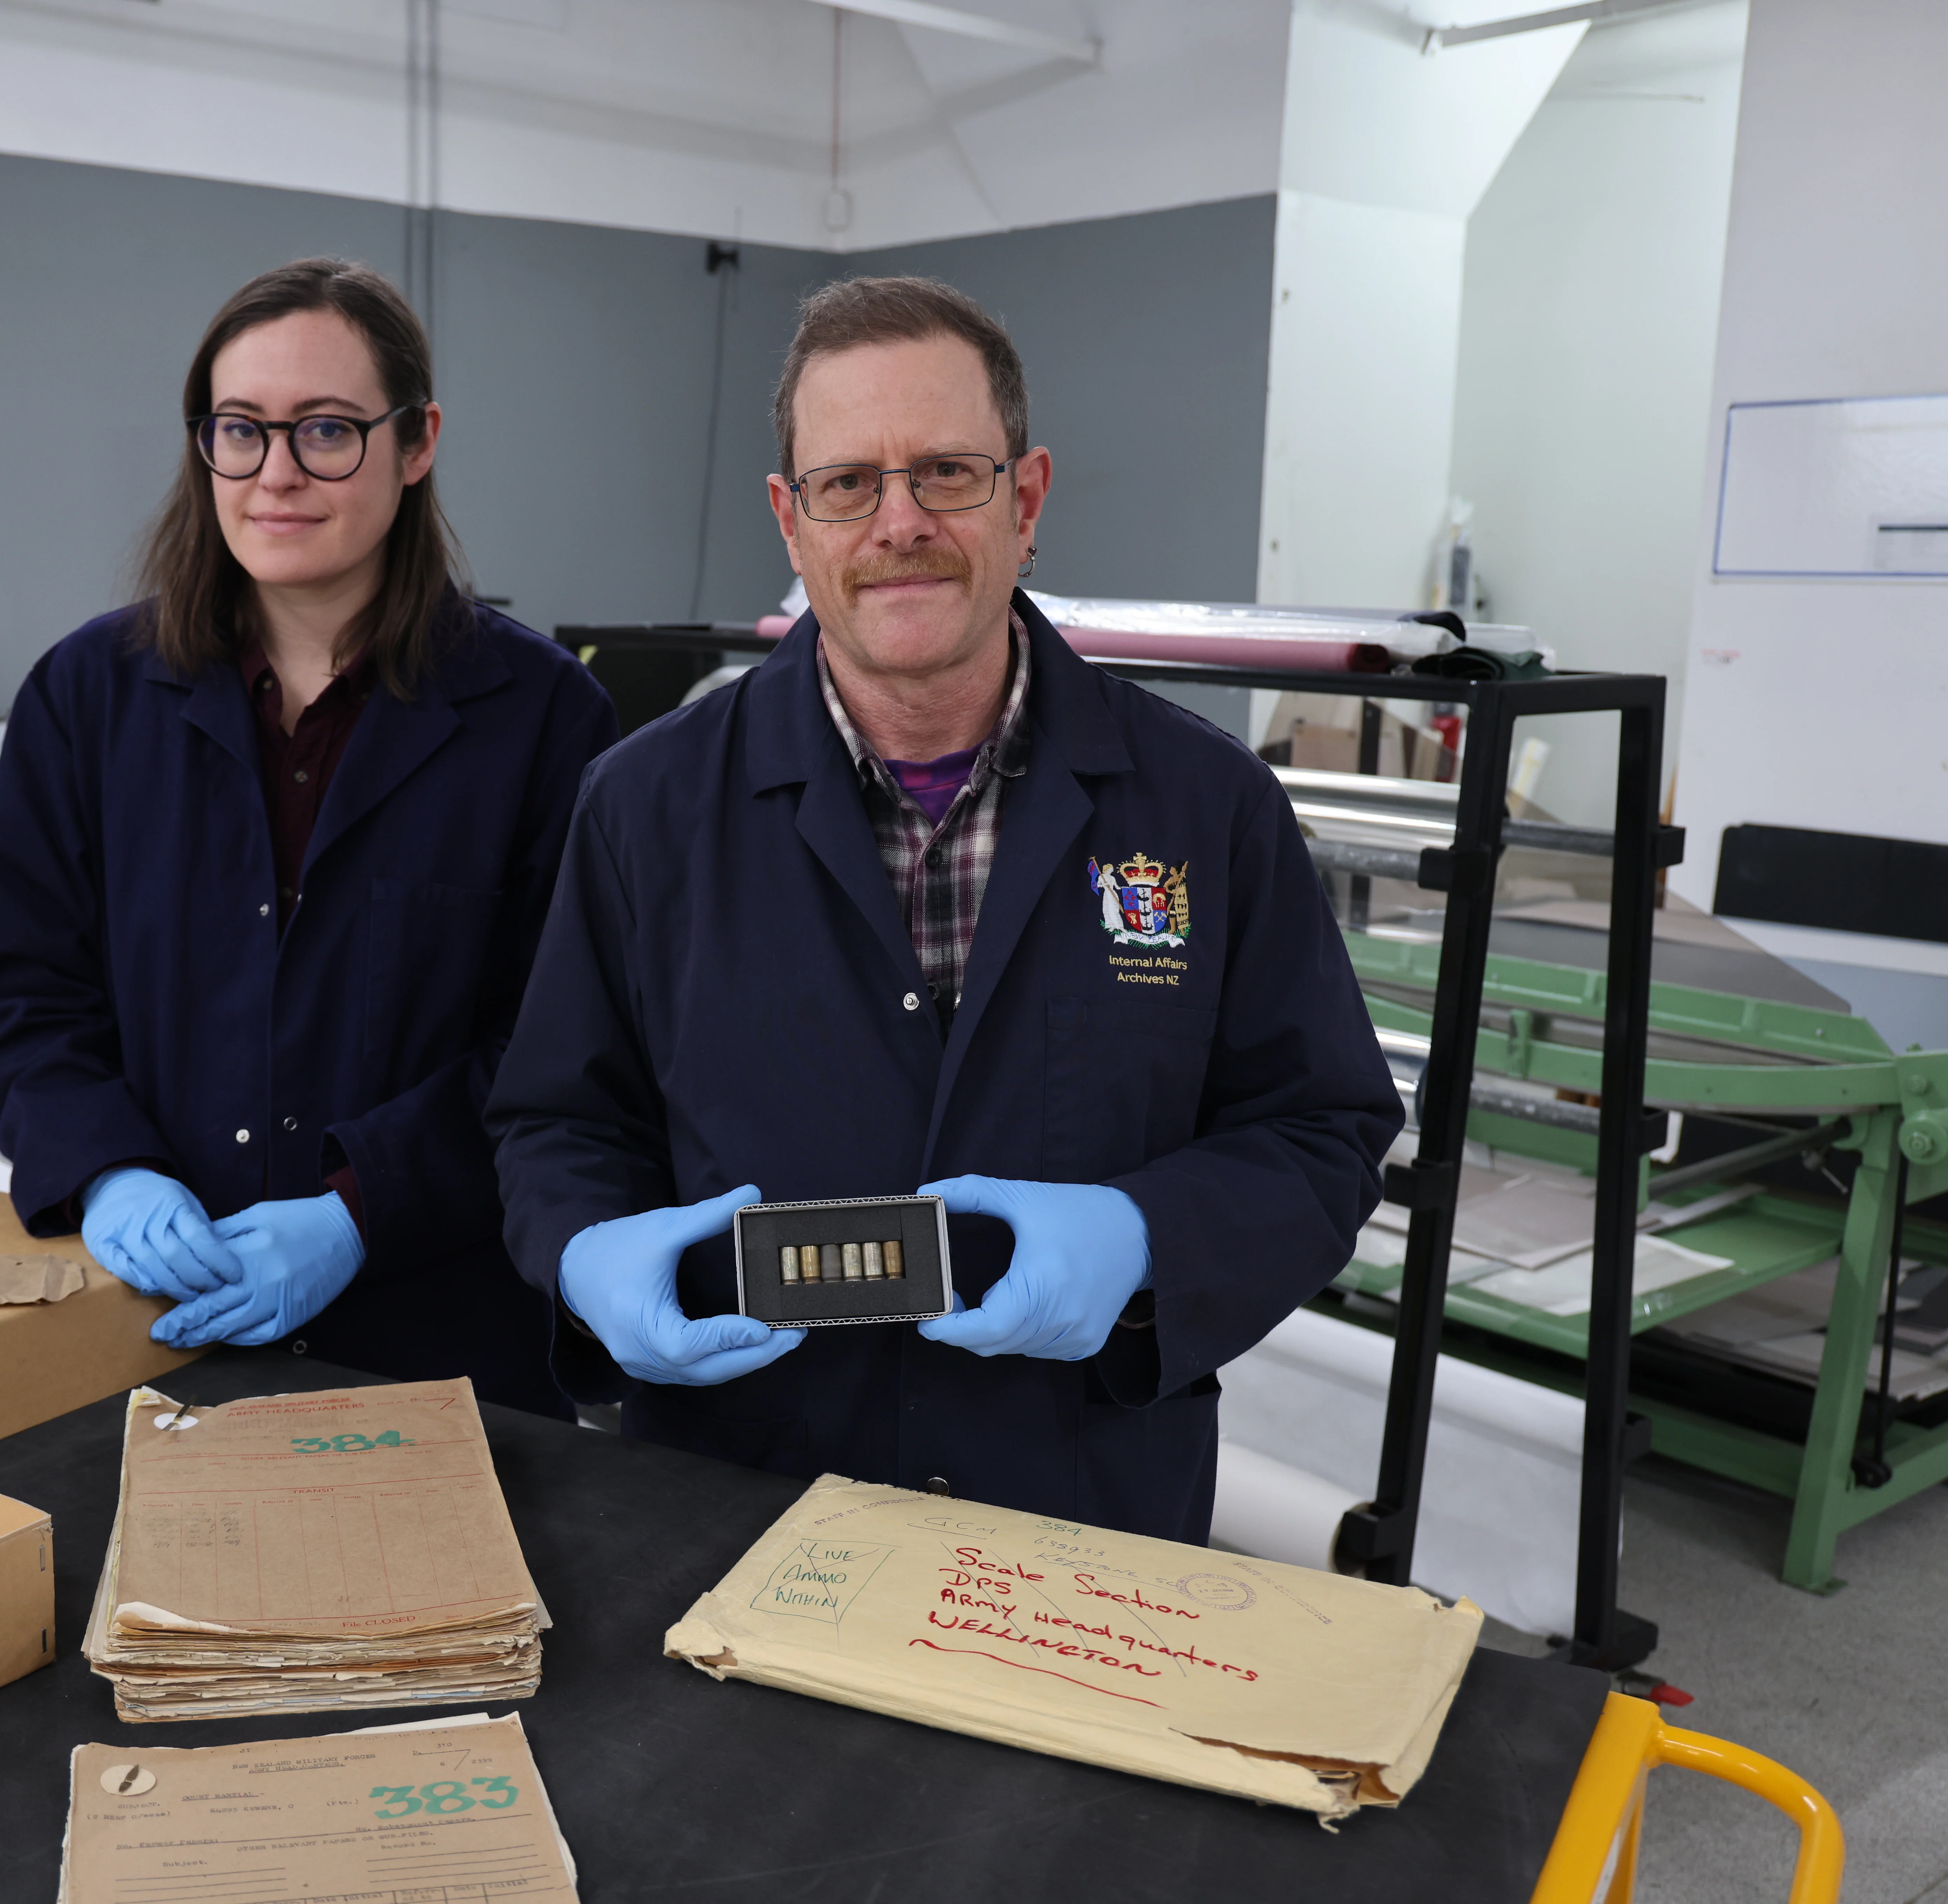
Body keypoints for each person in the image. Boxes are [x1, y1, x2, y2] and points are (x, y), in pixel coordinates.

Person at [486, 276, 1402, 1531]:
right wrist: (586, 1254)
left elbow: (1322, 1128)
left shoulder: (1207, 807)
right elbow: (556, 1125)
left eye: (947, 474)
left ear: (1025, 502)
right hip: (737, 1507)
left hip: (1082, 1516)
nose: (898, 520)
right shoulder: (642, 809)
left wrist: (1145, 1236)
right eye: (848, 482)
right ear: (790, 521)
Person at [0, 258, 620, 1419]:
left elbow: (560, 1044)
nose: (276, 474)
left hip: (440, 1340)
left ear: (417, 443)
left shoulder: (543, 717)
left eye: (326, 430)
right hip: (152, 1329)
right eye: (239, 430)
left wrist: (363, 1210)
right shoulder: (87, 696)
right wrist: (107, 1168)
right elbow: (25, 991)